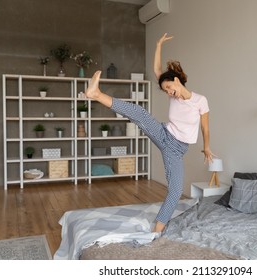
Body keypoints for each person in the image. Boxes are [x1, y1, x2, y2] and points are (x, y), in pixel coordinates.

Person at [84, 33, 213, 233]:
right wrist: (158, 44)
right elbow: (157, 70)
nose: (169, 93)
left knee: (176, 190)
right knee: (140, 113)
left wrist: (206, 148)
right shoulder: (173, 96)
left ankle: (157, 228)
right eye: (166, 90)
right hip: (164, 133)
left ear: (177, 81)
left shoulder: (200, 100)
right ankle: (96, 94)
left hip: (177, 150)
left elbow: (205, 126)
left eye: (170, 88)